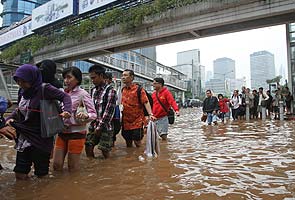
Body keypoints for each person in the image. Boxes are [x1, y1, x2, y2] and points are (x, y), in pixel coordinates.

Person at [3, 64, 72, 180]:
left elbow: (65, 97)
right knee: (20, 173)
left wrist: (67, 111)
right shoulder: (22, 92)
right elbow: (19, 109)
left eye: (23, 81)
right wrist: (6, 119)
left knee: (42, 174)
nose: (20, 84)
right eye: (18, 81)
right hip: (24, 137)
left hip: (41, 138)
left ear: (32, 79)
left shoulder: (45, 89)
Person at [53, 67, 96, 171]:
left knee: (73, 167)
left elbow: (93, 114)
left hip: (77, 133)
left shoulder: (83, 94)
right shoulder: (63, 93)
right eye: (64, 78)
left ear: (77, 79)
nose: (66, 81)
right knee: (56, 165)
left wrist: (86, 116)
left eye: (69, 77)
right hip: (62, 132)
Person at [85, 64, 117, 158]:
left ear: (101, 76)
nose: (92, 80)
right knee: (88, 146)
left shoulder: (111, 91)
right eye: (91, 78)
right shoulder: (93, 90)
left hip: (106, 126)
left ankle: (107, 169)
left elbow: (109, 112)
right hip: (94, 125)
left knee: (104, 150)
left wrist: (100, 127)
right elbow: (90, 109)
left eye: (94, 78)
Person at [121, 69, 154, 147]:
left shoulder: (139, 89)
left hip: (137, 121)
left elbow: (146, 102)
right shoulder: (123, 90)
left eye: (125, 75)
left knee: (137, 141)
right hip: (125, 121)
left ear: (132, 77)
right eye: (122, 75)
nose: (123, 77)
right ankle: (130, 157)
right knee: (128, 142)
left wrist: (150, 114)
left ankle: (140, 156)